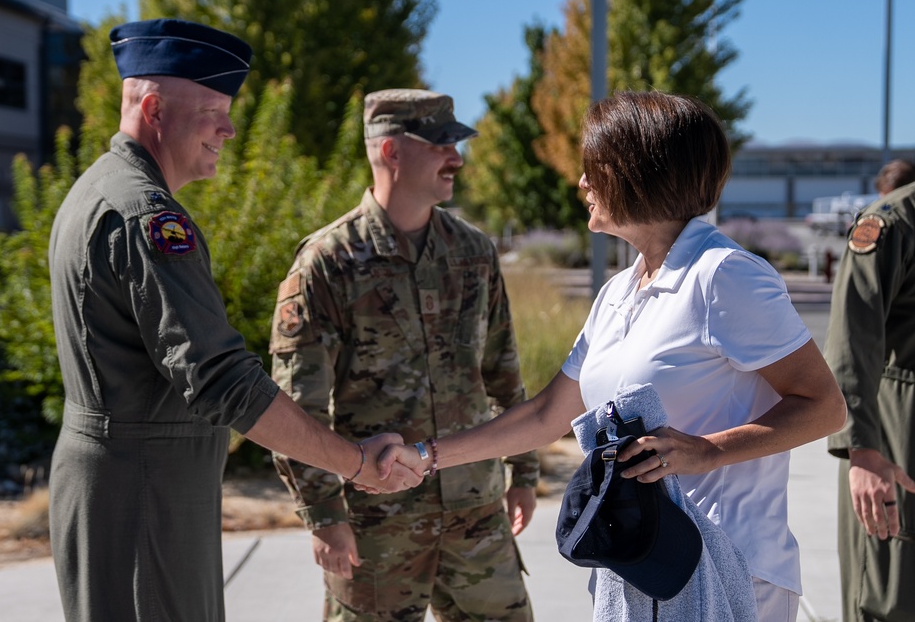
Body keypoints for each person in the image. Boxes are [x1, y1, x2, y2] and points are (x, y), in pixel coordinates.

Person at [378, 90, 847, 621]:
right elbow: (544, 416)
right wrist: (425, 456)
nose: (582, 183)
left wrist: (708, 451)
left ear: (637, 171)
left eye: (593, 167)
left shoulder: (723, 275)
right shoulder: (618, 292)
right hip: (637, 570)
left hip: (728, 571)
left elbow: (825, 406)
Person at [46, 19, 421, 622]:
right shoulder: (147, 218)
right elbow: (223, 381)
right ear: (155, 110)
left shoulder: (102, 191)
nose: (230, 128)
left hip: (132, 493)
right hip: (146, 501)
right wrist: (353, 464)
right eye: (213, 110)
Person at [268, 88, 539, 622]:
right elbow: (297, 405)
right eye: (440, 144)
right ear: (391, 151)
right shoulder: (328, 262)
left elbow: (503, 373)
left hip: (476, 513)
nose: (456, 158)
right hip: (377, 522)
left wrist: (524, 473)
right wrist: (323, 513)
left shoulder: (474, 252)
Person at [825, 159, 915, 622]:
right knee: (888, 593)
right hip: (899, 442)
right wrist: (862, 451)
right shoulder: (894, 223)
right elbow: (851, 340)